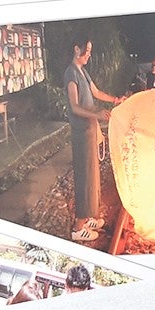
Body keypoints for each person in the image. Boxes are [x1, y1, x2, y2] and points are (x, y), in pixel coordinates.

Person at [64, 38, 108, 243]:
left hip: (90, 130)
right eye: (87, 50)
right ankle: (78, 226)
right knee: (84, 177)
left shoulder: (83, 71)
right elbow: (74, 106)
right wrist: (96, 114)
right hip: (81, 132)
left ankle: (89, 216)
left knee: (92, 176)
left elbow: (96, 92)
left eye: (90, 50)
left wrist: (116, 100)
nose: (89, 54)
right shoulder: (71, 73)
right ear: (77, 49)